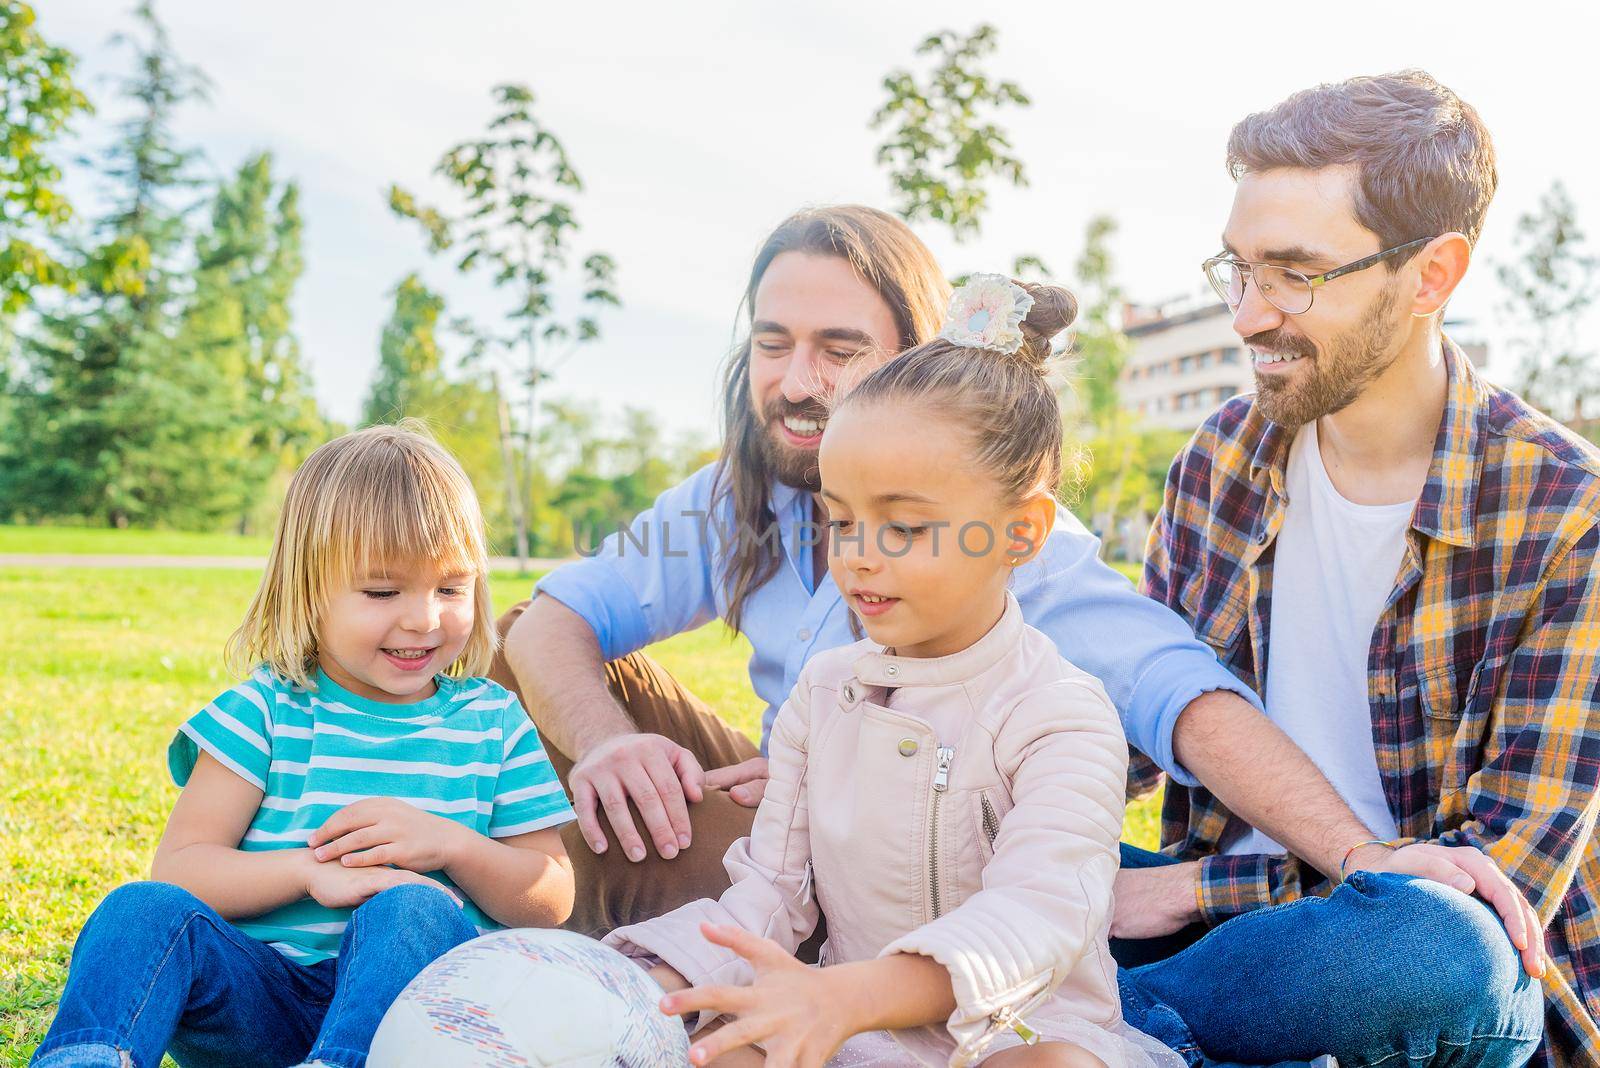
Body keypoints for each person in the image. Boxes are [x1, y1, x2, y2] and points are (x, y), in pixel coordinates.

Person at [495, 206, 1518, 956]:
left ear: (917, 364)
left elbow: (1182, 696)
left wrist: (1355, 852)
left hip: (888, 866)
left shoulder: (1006, 542)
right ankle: (496, 904)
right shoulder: (740, 494)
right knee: (507, 645)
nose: (797, 381)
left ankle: (558, 929)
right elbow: (549, 621)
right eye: (773, 345)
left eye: (838, 350)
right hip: (777, 799)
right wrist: (609, 744)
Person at [1114, 71, 1598, 1065]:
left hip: (1401, 963)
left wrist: (1191, 889)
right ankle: (1116, 1022)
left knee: (1439, 952)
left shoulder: (1567, 516)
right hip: (1220, 950)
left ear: (1430, 277)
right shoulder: (1222, 457)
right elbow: (1127, 722)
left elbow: (1494, 878)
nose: (1247, 316)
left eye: (1294, 273)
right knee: (948, 848)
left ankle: (1055, 1014)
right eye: (1236, 270)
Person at [606, 276, 1183, 1067]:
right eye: (840, 520)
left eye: (904, 526)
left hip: (1020, 1033)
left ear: (1022, 531)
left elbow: (1035, 914)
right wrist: (668, 979)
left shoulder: (1062, 714)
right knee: (719, 1048)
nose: (859, 555)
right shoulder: (826, 692)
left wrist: (849, 995)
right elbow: (770, 890)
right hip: (857, 1034)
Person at [31, 425, 577, 1068]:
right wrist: (306, 875)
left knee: (410, 905)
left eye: (451, 588)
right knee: (140, 910)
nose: (425, 619)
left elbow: (550, 896)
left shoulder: (492, 721)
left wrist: (450, 845)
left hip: (418, 1022)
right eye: (382, 591)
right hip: (265, 1004)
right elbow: (182, 869)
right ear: (307, 590)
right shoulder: (265, 711)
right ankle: (88, 1058)